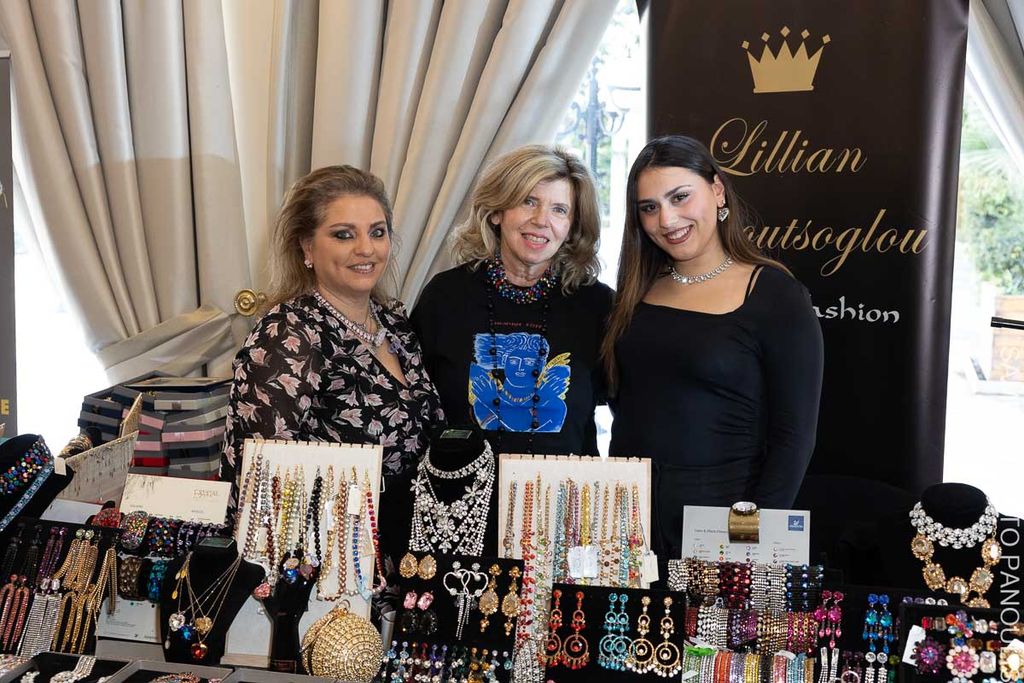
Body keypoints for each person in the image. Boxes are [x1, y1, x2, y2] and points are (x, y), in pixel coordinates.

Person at [603, 135, 824, 559]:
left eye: (680, 197)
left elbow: (793, 440)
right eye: (649, 207)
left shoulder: (776, 295)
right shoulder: (636, 290)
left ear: (718, 190)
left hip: (722, 524)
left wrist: (747, 542)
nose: (667, 219)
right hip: (628, 521)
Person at [220, 165, 444, 557]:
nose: (366, 249)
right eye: (344, 234)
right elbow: (259, 482)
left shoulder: (394, 323)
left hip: (403, 554)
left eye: (377, 232)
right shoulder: (287, 335)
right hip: (325, 564)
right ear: (307, 247)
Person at [412, 145, 613, 456]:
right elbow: (414, 409)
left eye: (559, 210)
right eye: (528, 201)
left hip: (562, 486)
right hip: (462, 484)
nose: (541, 220)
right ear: (496, 212)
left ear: (572, 227)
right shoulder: (444, 297)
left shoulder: (598, 305)